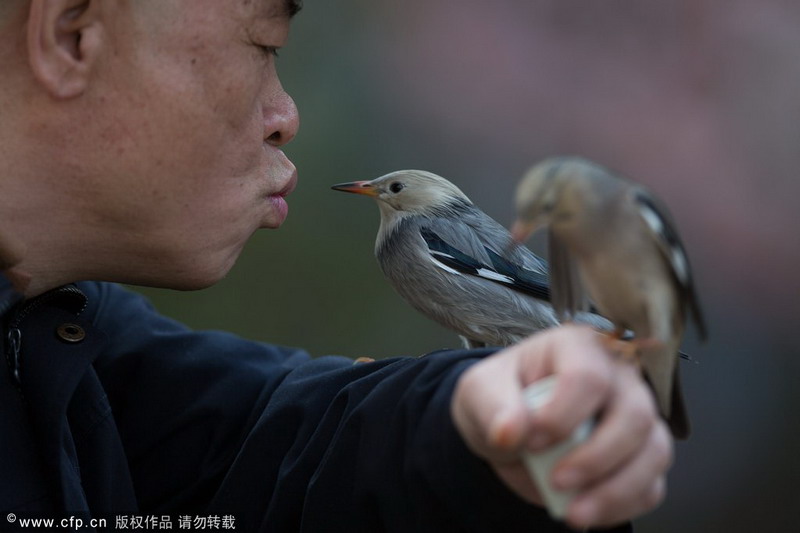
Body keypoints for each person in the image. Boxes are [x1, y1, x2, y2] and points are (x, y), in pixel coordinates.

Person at [0, 1, 672, 531]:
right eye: (266, 43)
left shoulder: (66, 338)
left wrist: (471, 429)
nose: (285, 115)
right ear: (71, 36)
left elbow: (264, 440)